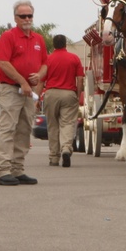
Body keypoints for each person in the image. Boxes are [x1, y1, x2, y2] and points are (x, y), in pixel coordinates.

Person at [0, 0, 48, 186]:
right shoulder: (8, 37)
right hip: (10, 89)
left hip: (28, 92)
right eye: (22, 16)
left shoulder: (38, 39)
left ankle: (17, 169)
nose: (26, 19)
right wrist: (23, 81)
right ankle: (3, 171)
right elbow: (3, 62)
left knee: (24, 130)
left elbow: (45, 64)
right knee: (8, 129)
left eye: (29, 16)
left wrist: (38, 76)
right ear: (15, 18)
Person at [43, 34, 85, 168]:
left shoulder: (47, 59)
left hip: (50, 93)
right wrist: (77, 95)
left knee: (53, 125)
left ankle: (54, 157)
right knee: (67, 124)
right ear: (65, 44)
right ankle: (66, 148)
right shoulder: (74, 58)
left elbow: (41, 79)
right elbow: (80, 79)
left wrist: (38, 97)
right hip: (69, 93)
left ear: (54, 44)